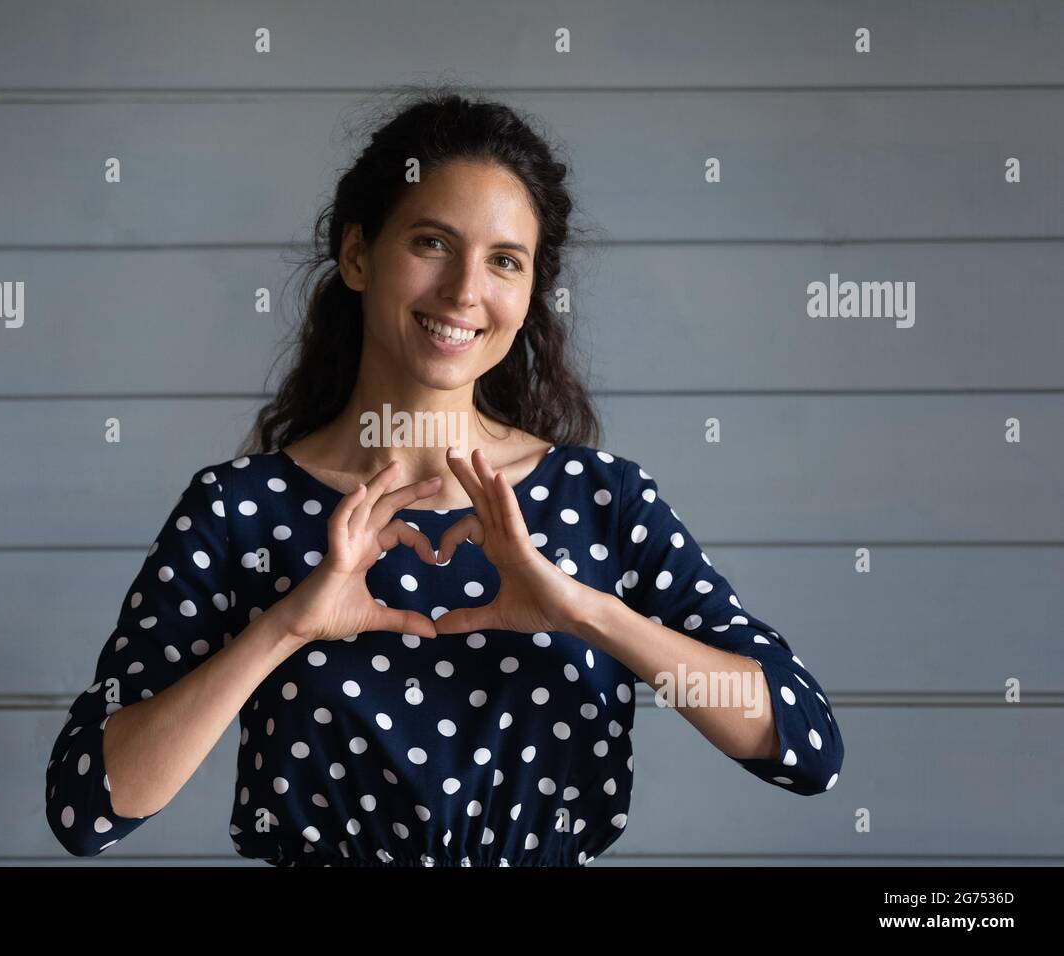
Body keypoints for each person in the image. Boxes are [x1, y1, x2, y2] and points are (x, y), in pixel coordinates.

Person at [44, 88, 844, 866]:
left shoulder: (603, 500)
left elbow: (806, 746)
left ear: (530, 295)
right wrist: (283, 628)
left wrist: (586, 611)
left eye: (504, 261)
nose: (465, 291)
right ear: (358, 255)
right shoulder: (239, 510)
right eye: (431, 243)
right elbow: (88, 809)